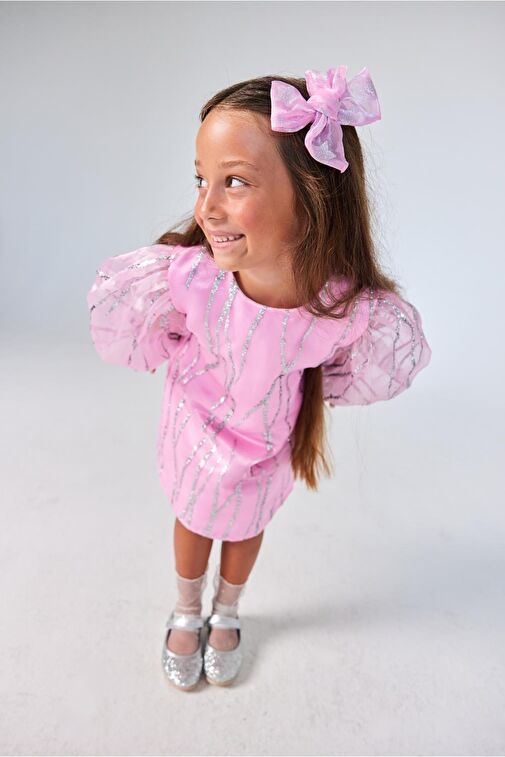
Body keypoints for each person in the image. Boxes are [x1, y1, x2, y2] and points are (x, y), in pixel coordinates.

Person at [86, 66, 432, 691]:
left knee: (246, 523)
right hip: (197, 422)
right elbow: (145, 326)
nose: (206, 207)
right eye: (202, 179)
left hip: (266, 436)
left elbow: (355, 364)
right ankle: (186, 608)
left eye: (235, 182)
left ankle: (227, 608)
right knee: (194, 515)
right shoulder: (192, 278)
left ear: (311, 197)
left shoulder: (340, 309)